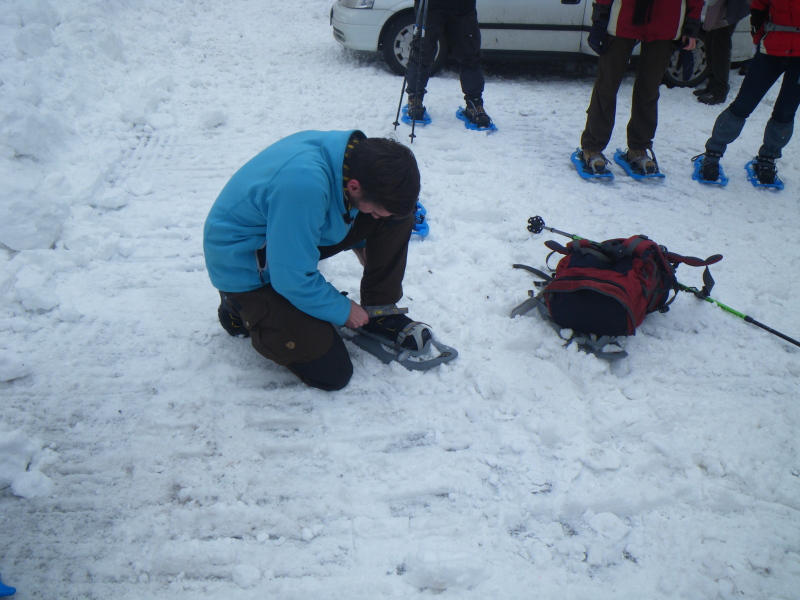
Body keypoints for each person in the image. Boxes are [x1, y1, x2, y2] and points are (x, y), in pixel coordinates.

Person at [203, 130, 428, 391]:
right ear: (354, 187)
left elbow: (347, 210)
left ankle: (379, 312)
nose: (375, 217)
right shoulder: (304, 186)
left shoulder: (354, 160)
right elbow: (291, 278)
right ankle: (237, 306)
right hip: (247, 263)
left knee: (396, 216)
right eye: (375, 212)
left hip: (285, 234)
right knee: (332, 371)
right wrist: (342, 309)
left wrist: (366, 246)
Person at [579, 0, 703, 175]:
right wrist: (600, 17)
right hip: (623, 18)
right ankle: (592, 146)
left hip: (666, 22)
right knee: (607, 85)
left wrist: (691, 26)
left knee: (649, 89)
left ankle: (639, 147)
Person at [697, 0, 800, 185]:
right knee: (743, 105)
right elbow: (758, 7)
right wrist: (758, 37)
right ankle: (712, 154)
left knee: (785, 112)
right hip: (771, 51)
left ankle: (767, 159)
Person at [404, 0, 492, 128]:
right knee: (423, 52)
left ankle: (474, 103)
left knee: (470, 54)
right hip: (431, 5)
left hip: (462, 7)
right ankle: (414, 98)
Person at [693, 0, 751, 105]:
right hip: (719, 6)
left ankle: (719, 91)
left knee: (720, 48)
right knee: (710, 41)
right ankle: (712, 85)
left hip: (728, 8)